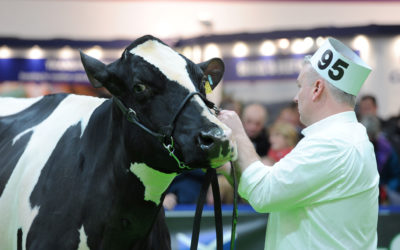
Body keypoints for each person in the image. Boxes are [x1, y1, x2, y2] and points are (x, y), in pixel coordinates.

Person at [218, 37, 379, 249]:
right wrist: (228, 167)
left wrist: (237, 131)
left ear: (317, 88)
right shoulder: (349, 136)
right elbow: (276, 187)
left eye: (299, 85)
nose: (295, 97)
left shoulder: (331, 143)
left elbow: (263, 192)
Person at [361, 115, 400, 205]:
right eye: (367, 135)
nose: (369, 138)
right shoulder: (356, 149)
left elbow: (396, 174)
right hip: (363, 191)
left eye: (371, 135)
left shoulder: (387, 150)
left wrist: (386, 188)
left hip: (384, 193)